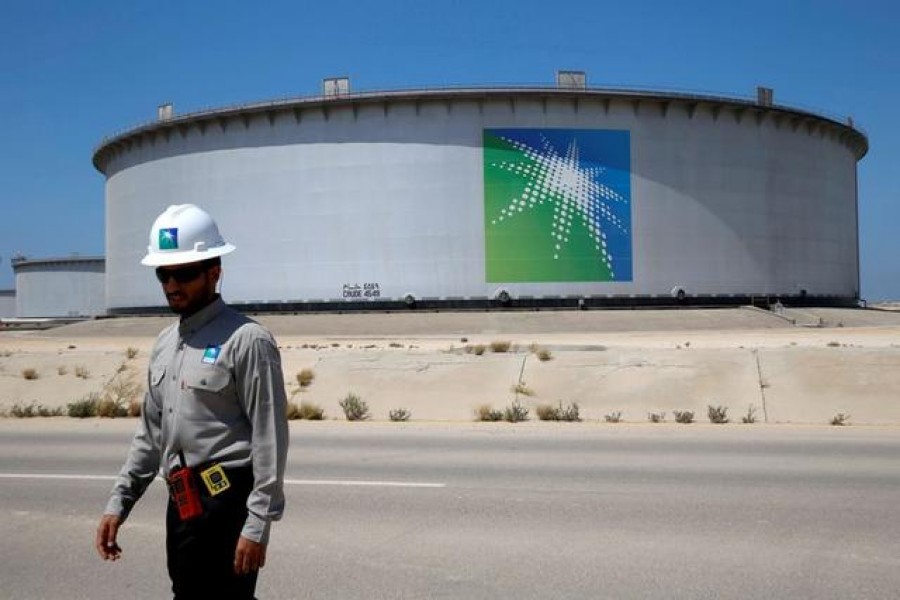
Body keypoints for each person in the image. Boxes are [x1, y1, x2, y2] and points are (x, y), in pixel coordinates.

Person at [95, 204, 289, 599]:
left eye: (183, 273)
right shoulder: (166, 344)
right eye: (163, 274)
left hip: (227, 503)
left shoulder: (248, 340)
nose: (171, 285)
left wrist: (257, 525)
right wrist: (119, 502)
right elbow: (150, 435)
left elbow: (270, 440)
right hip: (182, 502)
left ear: (214, 272)